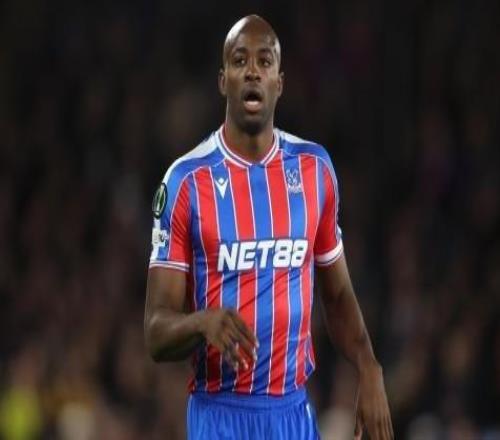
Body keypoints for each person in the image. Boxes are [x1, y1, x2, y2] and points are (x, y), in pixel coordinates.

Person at [144, 14, 393, 440]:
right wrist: (202, 323)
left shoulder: (315, 171)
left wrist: (368, 366)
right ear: (223, 81)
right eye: (240, 61)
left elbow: (337, 294)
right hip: (219, 414)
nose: (253, 71)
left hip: (292, 414)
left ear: (279, 82)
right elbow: (155, 332)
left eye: (264, 61)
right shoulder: (186, 182)